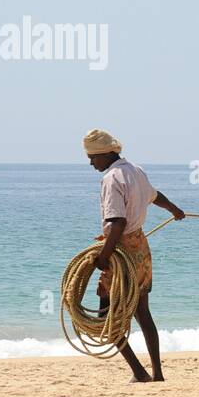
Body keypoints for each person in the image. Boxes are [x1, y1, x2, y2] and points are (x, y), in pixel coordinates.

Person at [82, 129, 184, 383]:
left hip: (121, 252)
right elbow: (154, 196)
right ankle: (157, 374)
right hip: (140, 248)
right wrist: (173, 208)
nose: (91, 162)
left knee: (104, 317)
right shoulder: (136, 171)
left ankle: (139, 372)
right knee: (143, 313)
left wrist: (104, 257)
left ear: (106, 154)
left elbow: (116, 223)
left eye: (93, 157)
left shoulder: (111, 178)